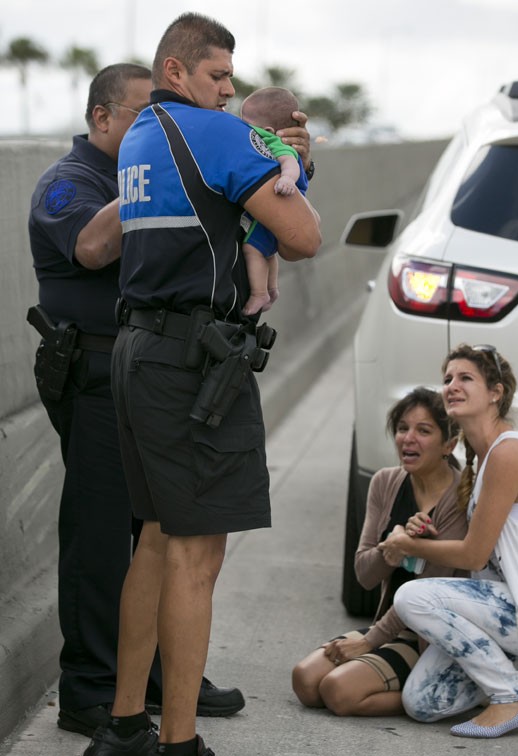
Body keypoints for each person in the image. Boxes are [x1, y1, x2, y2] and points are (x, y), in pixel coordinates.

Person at [85, 13, 321, 756]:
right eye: (218, 76)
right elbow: (305, 237)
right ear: (176, 71)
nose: (229, 89)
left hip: (137, 349)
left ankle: (125, 726)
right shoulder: (215, 132)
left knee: (154, 542)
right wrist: (294, 163)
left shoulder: (142, 138)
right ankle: (179, 744)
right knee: (196, 554)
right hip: (191, 364)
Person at [26, 62, 265, 737]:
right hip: (97, 374)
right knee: (102, 540)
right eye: (141, 117)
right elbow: (90, 246)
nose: (156, 129)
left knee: (159, 537)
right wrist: (159, 178)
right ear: (101, 118)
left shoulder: (149, 160)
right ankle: (91, 690)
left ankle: (156, 675)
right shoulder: (68, 184)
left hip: (154, 375)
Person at [390, 344, 518, 739]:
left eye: (465, 378)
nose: (451, 385)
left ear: (496, 392)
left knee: (412, 598)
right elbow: (490, 554)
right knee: (422, 702)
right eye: (448, 378)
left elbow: (474, 553)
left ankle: (511, 695)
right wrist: (432, 539)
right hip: (513, 608)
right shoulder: (484, 459)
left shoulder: (509, 453)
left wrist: (407, 545)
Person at [292, 387, 468, 716]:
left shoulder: (458, 498)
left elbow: (426, 594)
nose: (408, 439)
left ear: (449, 444)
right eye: (402, 428)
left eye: (424, 430)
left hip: (429, 637)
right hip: (389, 628)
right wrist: (393, 549)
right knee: (305, 681)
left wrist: (369, 642)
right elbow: (364, 574)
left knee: (338, 691)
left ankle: (452, 693)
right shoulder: (385, 482)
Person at [238, 87, 309, 315]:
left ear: (267, 129)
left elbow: (289, 160)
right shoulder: (263, 137)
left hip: (284, 198)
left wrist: (287, 179)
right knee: (267, 249)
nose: (242, 127)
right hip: (284, 204)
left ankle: (260, 294)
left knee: (252, 248)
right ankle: (272, 288)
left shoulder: (269, 140)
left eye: (246, 123)